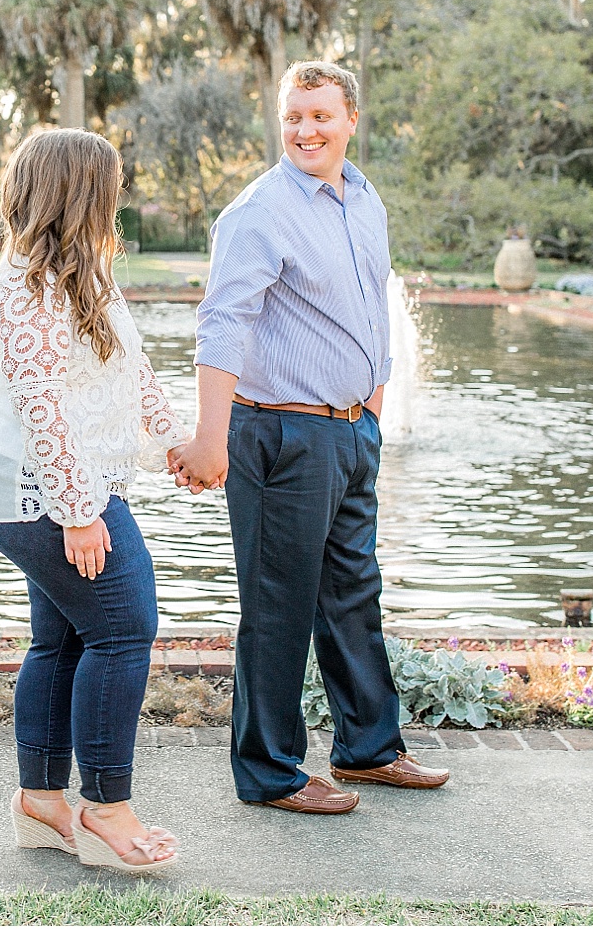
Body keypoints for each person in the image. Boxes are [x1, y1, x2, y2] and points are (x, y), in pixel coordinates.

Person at [172, 61, 449, 814]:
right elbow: (222, 322)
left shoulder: (365, 199)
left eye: (321, 115)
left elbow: (375, 309)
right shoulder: (257, 212)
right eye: (294, 116)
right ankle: (269, 772)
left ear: (351, 117)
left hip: (350, 432)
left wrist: (373, 408)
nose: (306, 129)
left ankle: (368, 748)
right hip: (280, 435)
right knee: (278, 605)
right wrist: (209, 436)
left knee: (354, 594)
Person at [0, 128, 186, 874]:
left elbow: (130, 365)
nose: (117, 196)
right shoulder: (27, 282)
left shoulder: (82, 266)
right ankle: (105, 811)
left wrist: (174, 437)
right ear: (82, 189)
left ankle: (42, 800)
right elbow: (41, 405)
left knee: (63, 637)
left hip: (58, 478)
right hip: (33, 487)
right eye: (110, 183)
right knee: (124, 624)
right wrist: (80, 512)